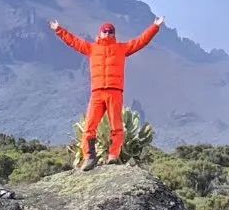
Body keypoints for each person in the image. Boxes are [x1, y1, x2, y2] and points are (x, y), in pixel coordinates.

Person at [50, 13, 164, 169]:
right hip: (97, 92)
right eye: (105, 31)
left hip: (115, 92)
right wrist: (58, 30)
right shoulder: (91, 48)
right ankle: (89, 157)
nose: (108, 33)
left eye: (110, 31)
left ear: (114, 34)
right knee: (90, 126)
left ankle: (113, 156)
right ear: (100, 33)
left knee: (117, 127)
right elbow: (74, 42)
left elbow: (141, 41)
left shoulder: (121, 48)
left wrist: (155, 26)